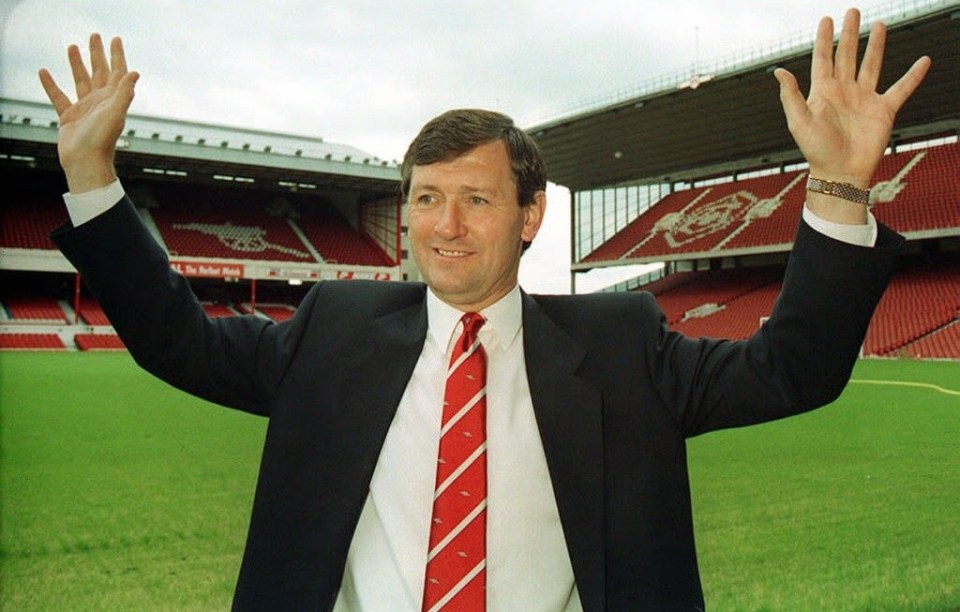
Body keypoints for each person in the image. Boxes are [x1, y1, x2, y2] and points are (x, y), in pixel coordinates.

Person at [39, 8, 930, 611]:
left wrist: (841, 185)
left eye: (475, 198)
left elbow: (794, 370)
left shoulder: (624, 347)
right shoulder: (334, 332)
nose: (445, 225)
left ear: (530, 213)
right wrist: (90, 177)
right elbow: (176, 339)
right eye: (425, 199)